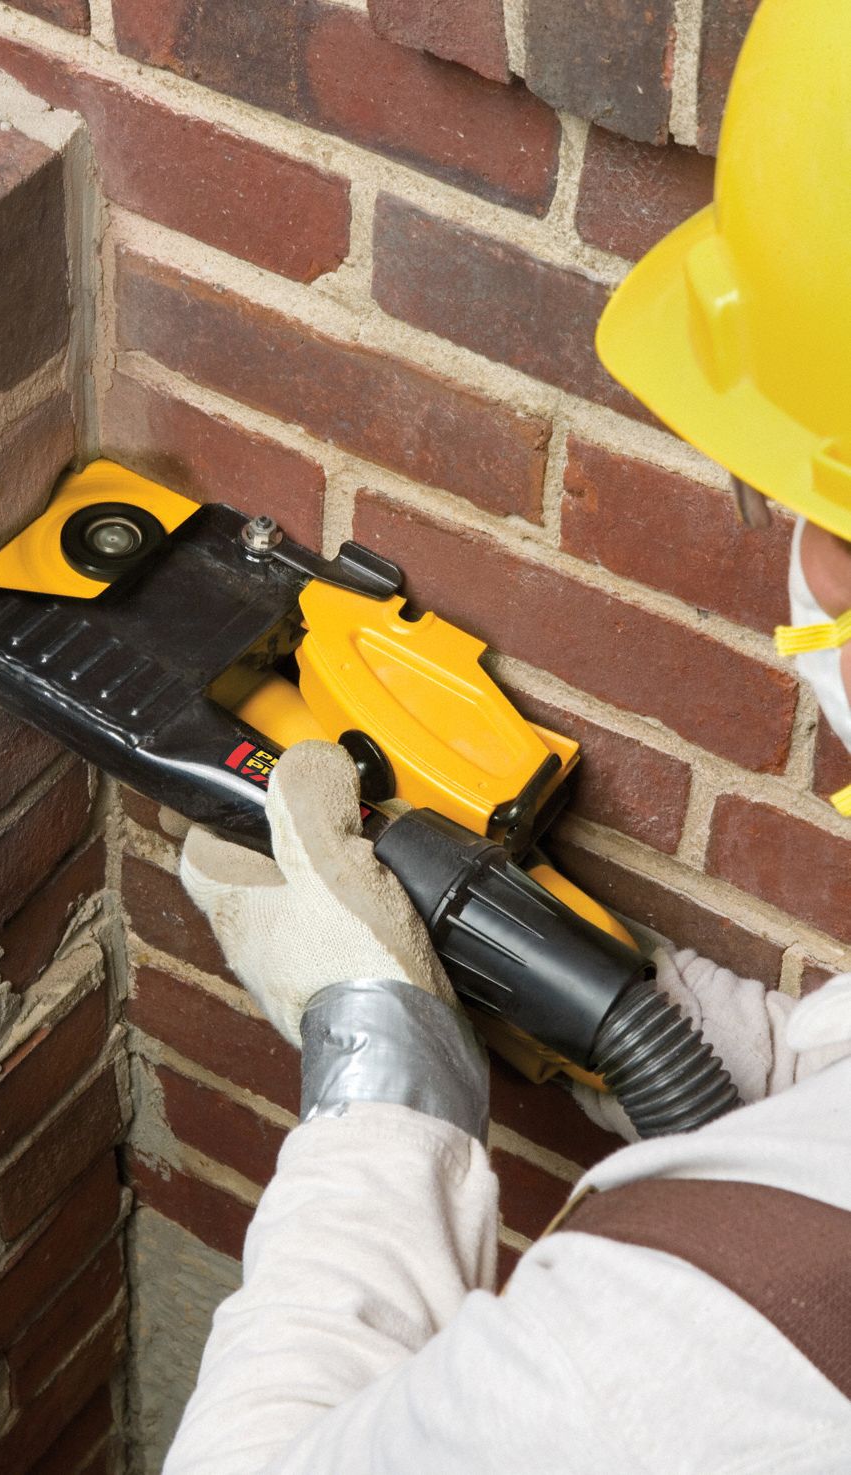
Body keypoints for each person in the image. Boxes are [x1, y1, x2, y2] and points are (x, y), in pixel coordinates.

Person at [162, 1, 851, 1469]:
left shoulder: (664, 1376)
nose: (795, 551)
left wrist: (378, 1060)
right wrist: (588, 983)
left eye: (812, 505)